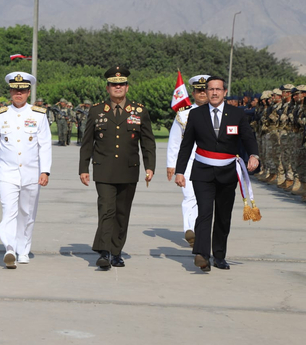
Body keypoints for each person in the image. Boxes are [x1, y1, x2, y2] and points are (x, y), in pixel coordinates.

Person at [175, 76, 259, 272]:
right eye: (210, 89)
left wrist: (254, 155)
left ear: (224, 92)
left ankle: (219, 256)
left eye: (218, 89)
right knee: (204, 212)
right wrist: (180, 171)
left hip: (228, 172)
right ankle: (202, 255)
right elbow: (186, 145)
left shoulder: (237, 114)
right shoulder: (196, 115)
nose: (214, 93)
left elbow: (248, 138)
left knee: (223, 216)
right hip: (202, 172)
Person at [79, 66, 156, 270]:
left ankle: (116, 252)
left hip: (128, 170)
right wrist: (83, 168)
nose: (118, 88)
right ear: (108, 88)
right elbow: (87, 142)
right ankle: (104, 252)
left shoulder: (139, 111)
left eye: (121, 84)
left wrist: (150, 167)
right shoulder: (96, 111)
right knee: (106, 209)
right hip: (104, 170)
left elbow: (148, 142)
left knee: (122, 213)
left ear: (127, 88)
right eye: (114, 84)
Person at [0, 71, 52, 269]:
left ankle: (23, 250)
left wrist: (45, 171)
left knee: (27, 213)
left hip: (32, 173)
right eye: (15, 90)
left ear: (28, 92)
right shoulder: (0, 115)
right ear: (10, 91)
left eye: (23, 90)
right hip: (6, 173)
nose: (19, 94)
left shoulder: (38, 115)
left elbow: (45, 145)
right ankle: (9, 248)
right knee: (9, 212)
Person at [166, 74, 210, 247]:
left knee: (206, 200)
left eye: (204, 90)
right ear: (193, 92)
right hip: (190, 161)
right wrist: (172, 164)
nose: (202, 93)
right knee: (190, 196)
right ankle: (190, 230)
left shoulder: (219, 112)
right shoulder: (183, 114)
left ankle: (201, 229)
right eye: (198, 90)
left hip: (211, 161)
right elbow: (174, 140)